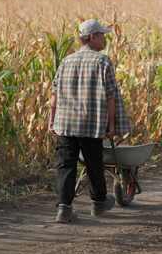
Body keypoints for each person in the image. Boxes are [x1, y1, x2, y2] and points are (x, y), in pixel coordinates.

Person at [49, 19, 131, 223]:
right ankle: (99, 203)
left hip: (65, 123)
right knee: (94, 164)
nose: (105, 39)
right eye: (102, 35)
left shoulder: (66, 61)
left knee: (65, 166)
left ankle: (63, 209)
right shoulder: (102, 61)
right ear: (92, 37)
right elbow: (111, 96)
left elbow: (54, 95)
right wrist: (112, 126)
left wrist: (51, 121)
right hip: (90, 124)